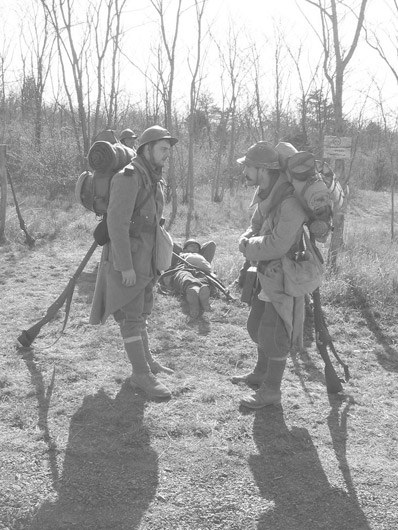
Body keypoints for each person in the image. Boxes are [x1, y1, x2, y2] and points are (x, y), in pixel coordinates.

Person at [89, 125, 178, 399]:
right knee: (130, 315)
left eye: (168, 151)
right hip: (130, 258)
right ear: (146, 149)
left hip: (147, 257)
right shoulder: (128, 177)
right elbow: (116, 224)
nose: (167, 155)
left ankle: (147, 362)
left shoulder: (151, 176)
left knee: (142, 311)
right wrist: (125, 265)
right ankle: (140, 375)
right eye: (163, 149)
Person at [232, 141, 308, 409]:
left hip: (284, 276)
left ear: (263, 169)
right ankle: (260, 372)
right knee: (256, 327)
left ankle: (272, 391)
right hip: (266, 273)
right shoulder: (267, 193)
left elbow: (278, 244)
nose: (245, 172)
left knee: (275, 336)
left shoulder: (288, 202)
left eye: (249, 167)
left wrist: (247, 246)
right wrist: (246, 238)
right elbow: (255, 225)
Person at [160, 239, 216, 320]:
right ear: (185, 249)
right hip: (182, 269)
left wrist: (199, 251)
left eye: (197, 247)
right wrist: (180, 248)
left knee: (203, 279)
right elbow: (171, 244)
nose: (195, 248)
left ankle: (200, 294)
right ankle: (195, 292)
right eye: (192, 246)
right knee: (186, 277)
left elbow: (211, 244)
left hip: (200, 270)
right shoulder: (179, 254)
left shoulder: (201, 257)